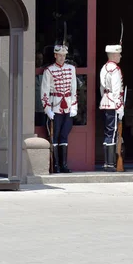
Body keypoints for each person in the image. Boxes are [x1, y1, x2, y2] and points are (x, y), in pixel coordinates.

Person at [41, 43, 78, 173]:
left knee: (64, 135)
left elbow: (74, 88)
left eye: (64, 55)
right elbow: (44, 91)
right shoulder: (49, 70)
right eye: (60, 55)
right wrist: (47, 109)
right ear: (55, 55)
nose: (62, 58)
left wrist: (74, 106)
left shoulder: (71, 69)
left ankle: (64, 165)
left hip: (67, 105)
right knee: (54, 135)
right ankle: (55, 165)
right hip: (55, 105)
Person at [99, 44, 124, 172]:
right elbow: (116, 90)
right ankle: (110, 163)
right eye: (118, 54)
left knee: (108, 131)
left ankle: (107, 163)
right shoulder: (115, 69)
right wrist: (119, 107)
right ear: (114, 55)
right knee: (113, 132)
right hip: (113, 103)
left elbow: (102, 89)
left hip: (106, 101)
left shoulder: (104, 68)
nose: (120, 56)